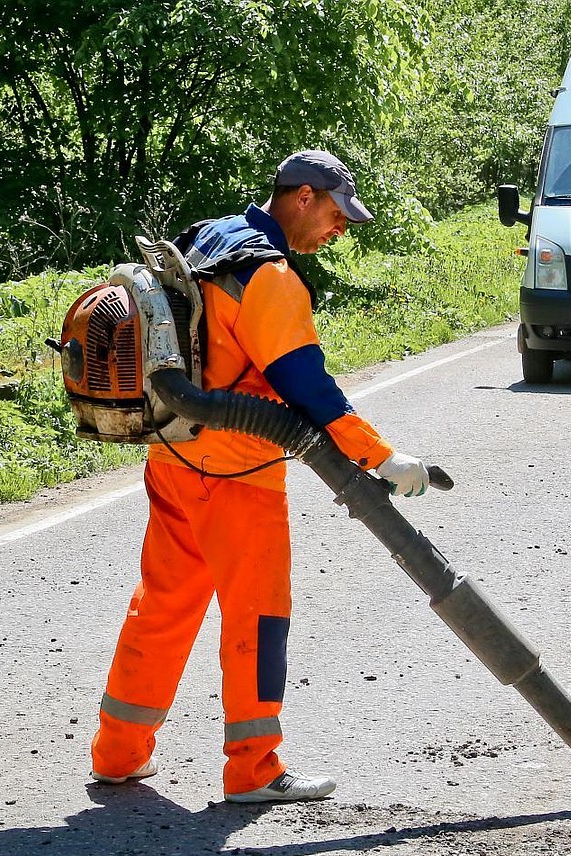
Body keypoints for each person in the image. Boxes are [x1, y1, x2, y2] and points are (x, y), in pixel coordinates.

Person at [90, 150, 432, 802]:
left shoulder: (203, 237)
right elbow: (306, 385)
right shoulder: (270, 276)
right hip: (239, 471)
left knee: (160, 607)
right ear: (302, 197)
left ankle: (118, 753)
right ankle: (254, 769)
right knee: (259, 617)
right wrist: (382, 456)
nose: (339, 230)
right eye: (335, 214)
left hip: (172, 457)